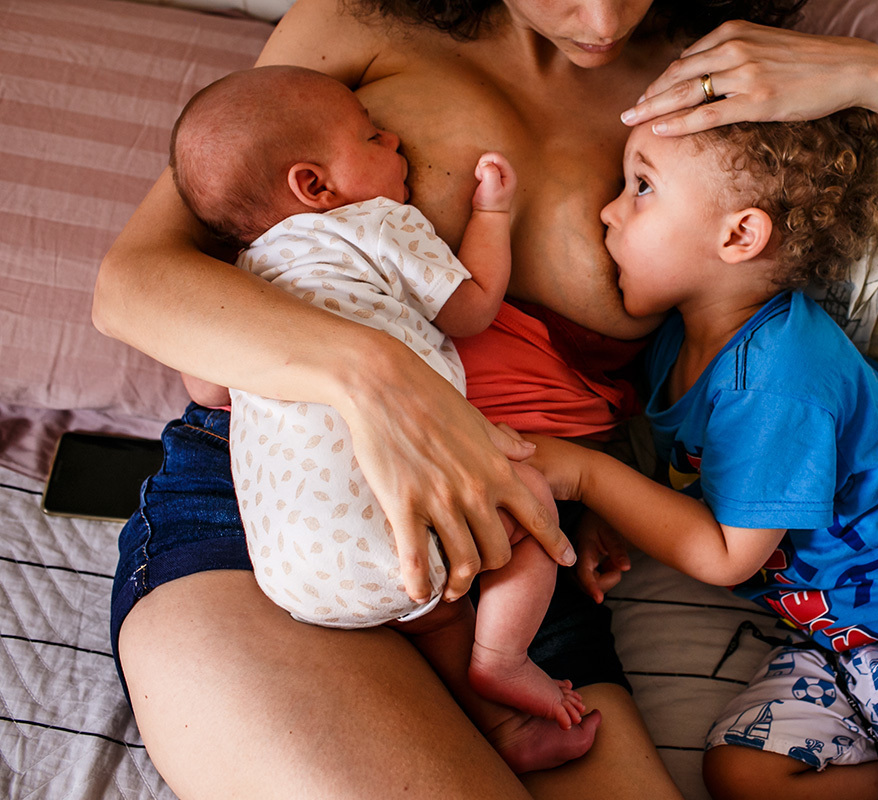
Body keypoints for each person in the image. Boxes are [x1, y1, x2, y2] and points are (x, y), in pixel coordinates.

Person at [93, 1, 878, 797]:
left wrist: (867, 72)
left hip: (519, 563)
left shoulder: (715, 80)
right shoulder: (361, 22)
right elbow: (132, 286)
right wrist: (379, 379)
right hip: (278, 521)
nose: (606, 21)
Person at [522, 113, 878, 799]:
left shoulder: (781, 374)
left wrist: (586, 475)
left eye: (641, 186)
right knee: (742, 772)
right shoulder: (676, 351)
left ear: (740, 235)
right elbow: (698, 481)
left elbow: (728, 553)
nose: (608, 211)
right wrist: (613, 516)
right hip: (843, 641)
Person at [168, 64, 597, 769]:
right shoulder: (373, 224)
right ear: (315, 187)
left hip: (290, 572)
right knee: (532, 512)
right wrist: (493, 217)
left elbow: (209, 389)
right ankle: (502, 657)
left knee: (427, 606)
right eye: (372, 137)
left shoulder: (234, 284)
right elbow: (471, 308)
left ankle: (499, 728)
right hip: (394, 523)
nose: (394, 139)